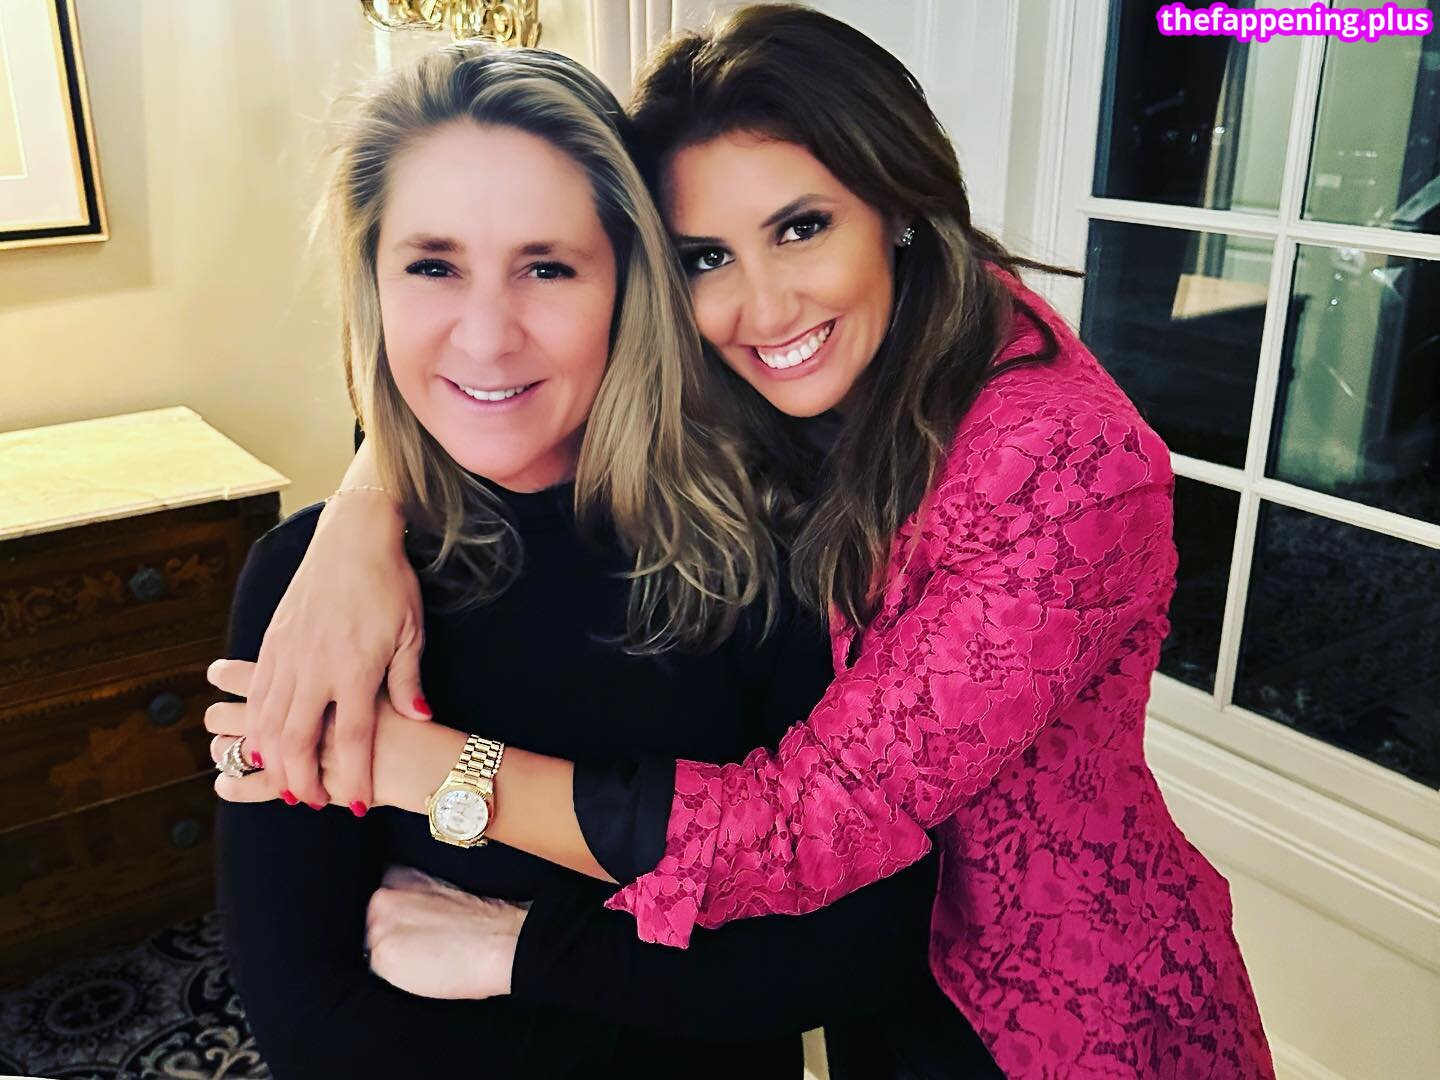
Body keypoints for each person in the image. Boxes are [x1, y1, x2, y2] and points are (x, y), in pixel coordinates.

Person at [211, 6, 1275, 1077]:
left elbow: (818, 844)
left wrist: (438, 790)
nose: (762, 308)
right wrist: (356, 515)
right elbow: (310, 1021)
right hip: (877, 1024)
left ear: (899, 206)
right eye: (708, 255)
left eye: (803, 226)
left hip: (1058, 1010)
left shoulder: (1026, 467)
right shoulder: (745, 400)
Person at [212, 38, 979, 1080]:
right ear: (374, 287)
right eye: (433, 266)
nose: (487, 338)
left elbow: (856, 948)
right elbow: (311, 1024)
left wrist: (525, 952)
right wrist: (669, 982)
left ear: (629, 285)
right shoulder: (311, 587)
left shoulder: (764, 551)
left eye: (547, 267)